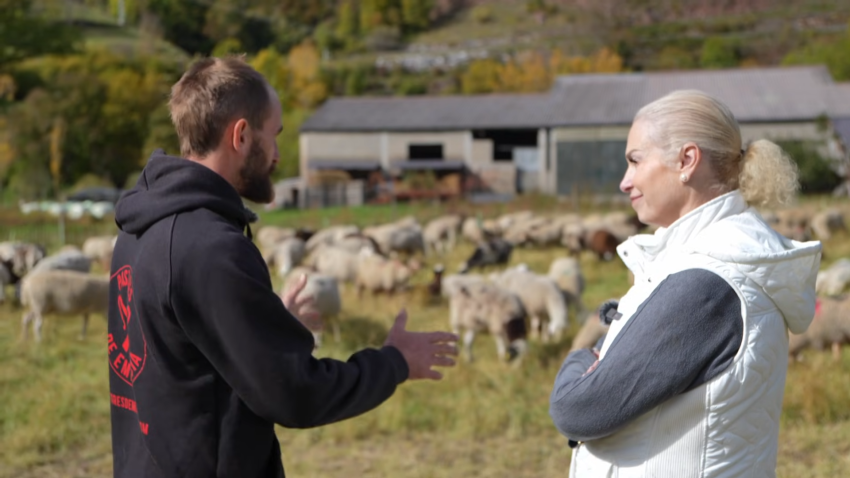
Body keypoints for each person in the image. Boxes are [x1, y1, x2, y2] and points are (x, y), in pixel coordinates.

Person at [107, 56, 458, 478]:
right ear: (240, 135)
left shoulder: (138, 230)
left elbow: (178, 364)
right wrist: (395, 362)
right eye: (273, 136)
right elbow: (294, 394)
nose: (276, 155)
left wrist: (266, 328)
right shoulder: (211, 247)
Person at [549, 90, 822, 477]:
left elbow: (578, 409)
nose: (625, 182)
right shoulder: (712, 263)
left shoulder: (705, 284)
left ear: (687, 160)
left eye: (634, 161)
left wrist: (580, 359)